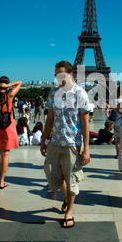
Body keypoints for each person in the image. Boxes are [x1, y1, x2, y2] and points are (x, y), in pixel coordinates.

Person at [40, 60, 90, 228]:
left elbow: (85, 124)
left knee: (71, 180)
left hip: (72, 144)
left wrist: (86, 149)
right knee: (52, 176)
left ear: (70, 74)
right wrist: (43, 140)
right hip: (55, 142)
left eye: (60, 74)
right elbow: (50, 120)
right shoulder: (53, 93)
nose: (57, 78)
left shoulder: (80, 94)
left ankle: (69, 212)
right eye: (55, 75)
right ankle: (68, 198)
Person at [0, 76, 22, 188]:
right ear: (6, 84)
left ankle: (0, 174)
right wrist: (8, 86)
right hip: (7, 126)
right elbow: (19, 82)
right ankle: (2, 181)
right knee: (5, 153)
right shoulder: (9, 95)